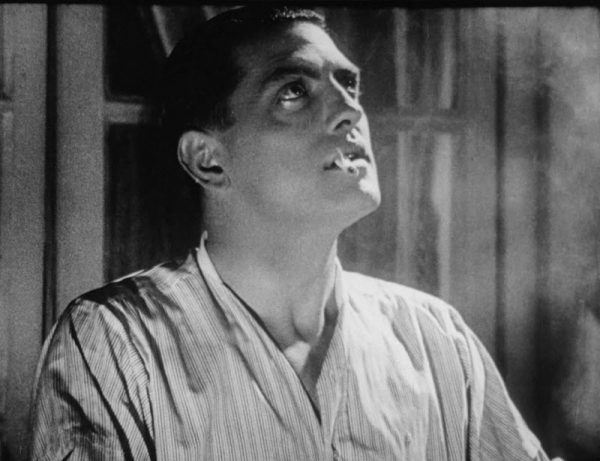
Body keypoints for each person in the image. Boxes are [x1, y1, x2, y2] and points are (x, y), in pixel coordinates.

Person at [29, 6, 553, 460]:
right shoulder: (117, 342)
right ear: (208, 160)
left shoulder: (436, 338)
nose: (350, 111)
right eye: (294, 91)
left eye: (349, 85)